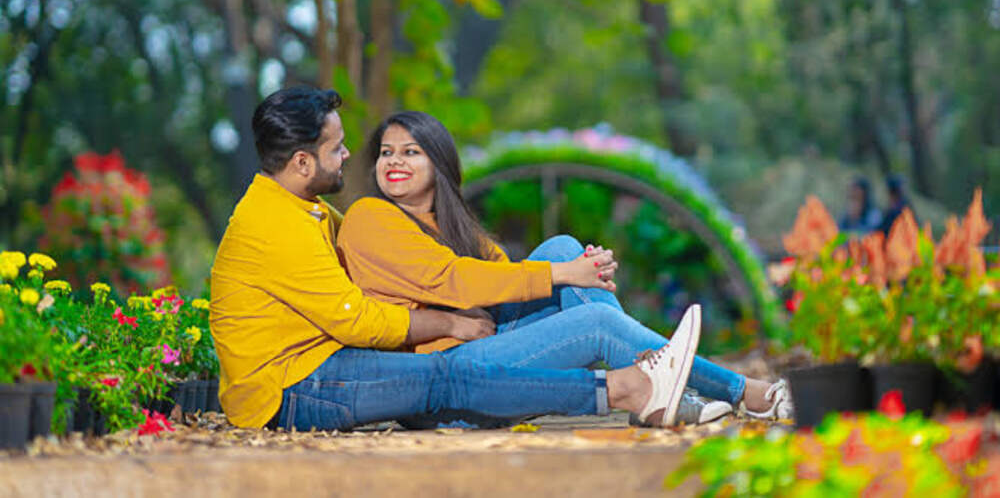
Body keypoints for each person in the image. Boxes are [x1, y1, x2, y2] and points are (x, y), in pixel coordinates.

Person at [209, 87, 708, 432]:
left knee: (561, 251)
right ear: (302, 162)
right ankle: (629, 388)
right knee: (448, 375)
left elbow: (482, 271)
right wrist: (449, 321)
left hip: (324, 364)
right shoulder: (275, 224)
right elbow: (357, 319)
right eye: (337, 148)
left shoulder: (308, 209)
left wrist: (562, 270)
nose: (348, 156)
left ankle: (667, 386)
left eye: (412, 152)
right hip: (291, 387)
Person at [337, 110, 793, 426]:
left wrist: (578, 267)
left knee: (561, 248)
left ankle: (657, 391)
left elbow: (500, 278)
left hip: (479, 350)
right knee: (595, 319)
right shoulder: (369, 217)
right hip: (440, 386)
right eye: (386, 152)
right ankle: (743, 392)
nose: (394, 161)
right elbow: (454, 281)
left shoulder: (448, 221)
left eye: (410, 151)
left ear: (438, 162)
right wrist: (565, 276)